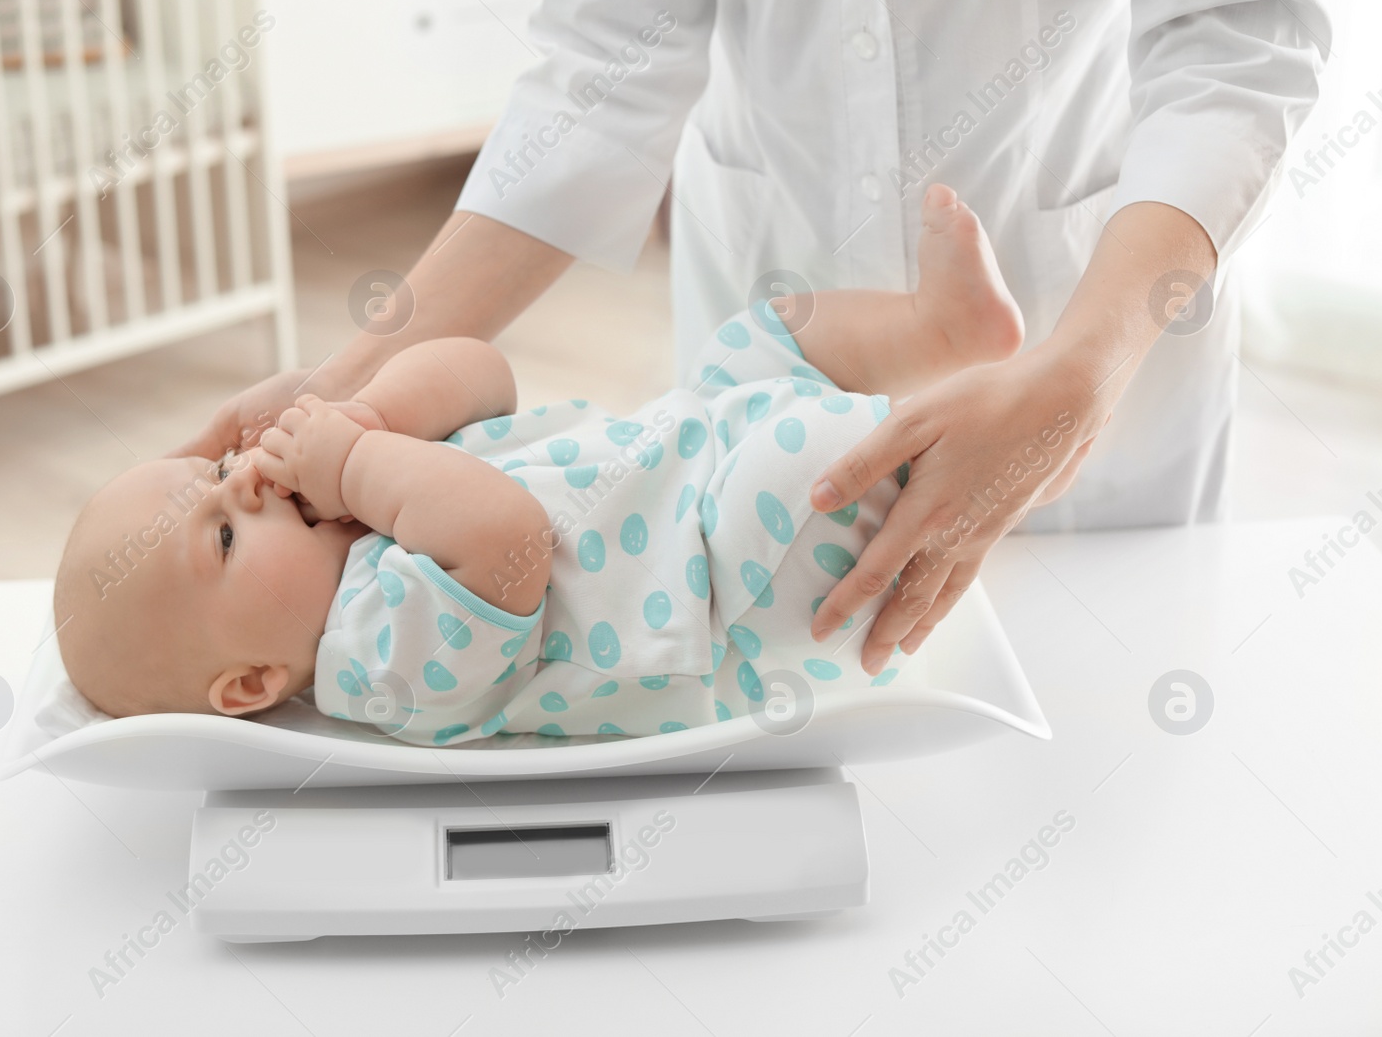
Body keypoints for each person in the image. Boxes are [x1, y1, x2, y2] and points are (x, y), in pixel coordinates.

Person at [174, 0, 1329, 675]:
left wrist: (1081, 371)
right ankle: (939, 323)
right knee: (782, 654)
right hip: (774, 346)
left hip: (1090, 322)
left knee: (1101, 754)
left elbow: (1235, 39)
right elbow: (606, 67)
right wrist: (346, 385)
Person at [63, 188, 1044, 744]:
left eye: (218, 474)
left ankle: (939, 331)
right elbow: (505, 539)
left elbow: (484, 377)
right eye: (225, 530)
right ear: (250, 682)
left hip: (685, 460)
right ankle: (970, 446)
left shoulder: (366, 503)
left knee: (761, 338)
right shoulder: (368, 652)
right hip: (725, 599)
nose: (246, 483)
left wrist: (365, 411)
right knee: (802, 457)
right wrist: (357, 458)